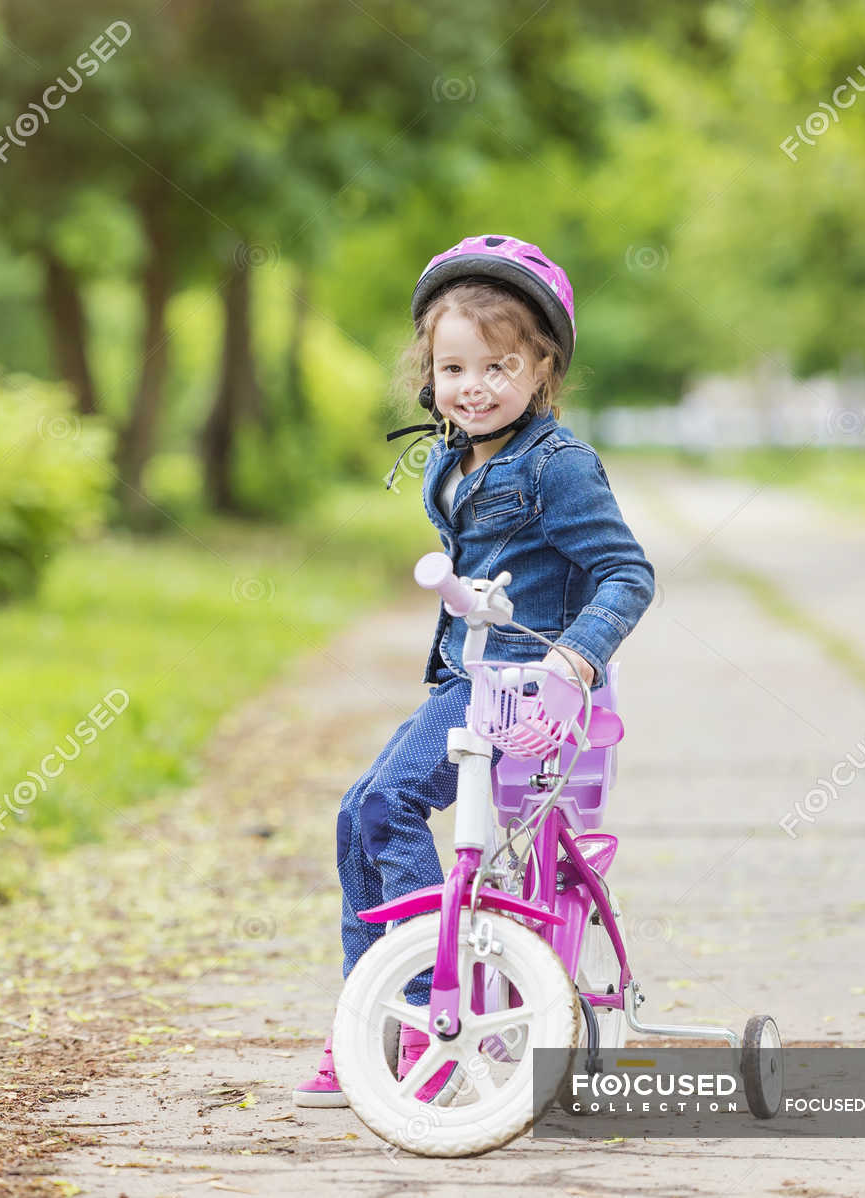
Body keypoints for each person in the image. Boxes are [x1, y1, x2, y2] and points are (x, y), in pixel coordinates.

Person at [294, 234, 656, 1108]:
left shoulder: (556, 464)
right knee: (357, 819)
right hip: (469, 676)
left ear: (541, 370)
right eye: (454, 368)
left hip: (532, 687)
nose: (474, 386)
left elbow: (627, 573)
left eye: (498, 367)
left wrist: (574, 660)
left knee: (388, 806)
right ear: (429, 373)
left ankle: (429, 1017)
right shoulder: (448, 455)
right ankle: (371, 1021)